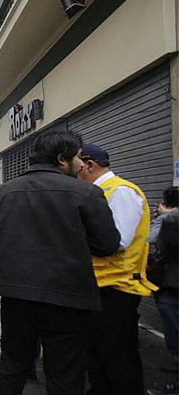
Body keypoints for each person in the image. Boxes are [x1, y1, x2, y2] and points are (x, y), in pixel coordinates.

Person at [0, 131, 121, 394]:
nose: (82, 164)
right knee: (65, 373)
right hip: (68, 299)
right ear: (62, 160)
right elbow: (107, 244)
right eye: (79, 157)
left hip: (16, 296)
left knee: (13, 365)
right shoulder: (87, 194)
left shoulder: (0, 193)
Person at [78, 143, 159, 395]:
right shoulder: (98, 192)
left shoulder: (121, 192)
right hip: (99, 286)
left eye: (79, 166)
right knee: (98, 353)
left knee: (117, 356)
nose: (75, 171)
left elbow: (116, 242)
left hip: (117, 288)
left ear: (90, 165)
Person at [147, 213, 178, 395]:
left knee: (175, 338)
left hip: (173, 286)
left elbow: (155, 240)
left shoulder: (171, 220)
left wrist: (162, 217)